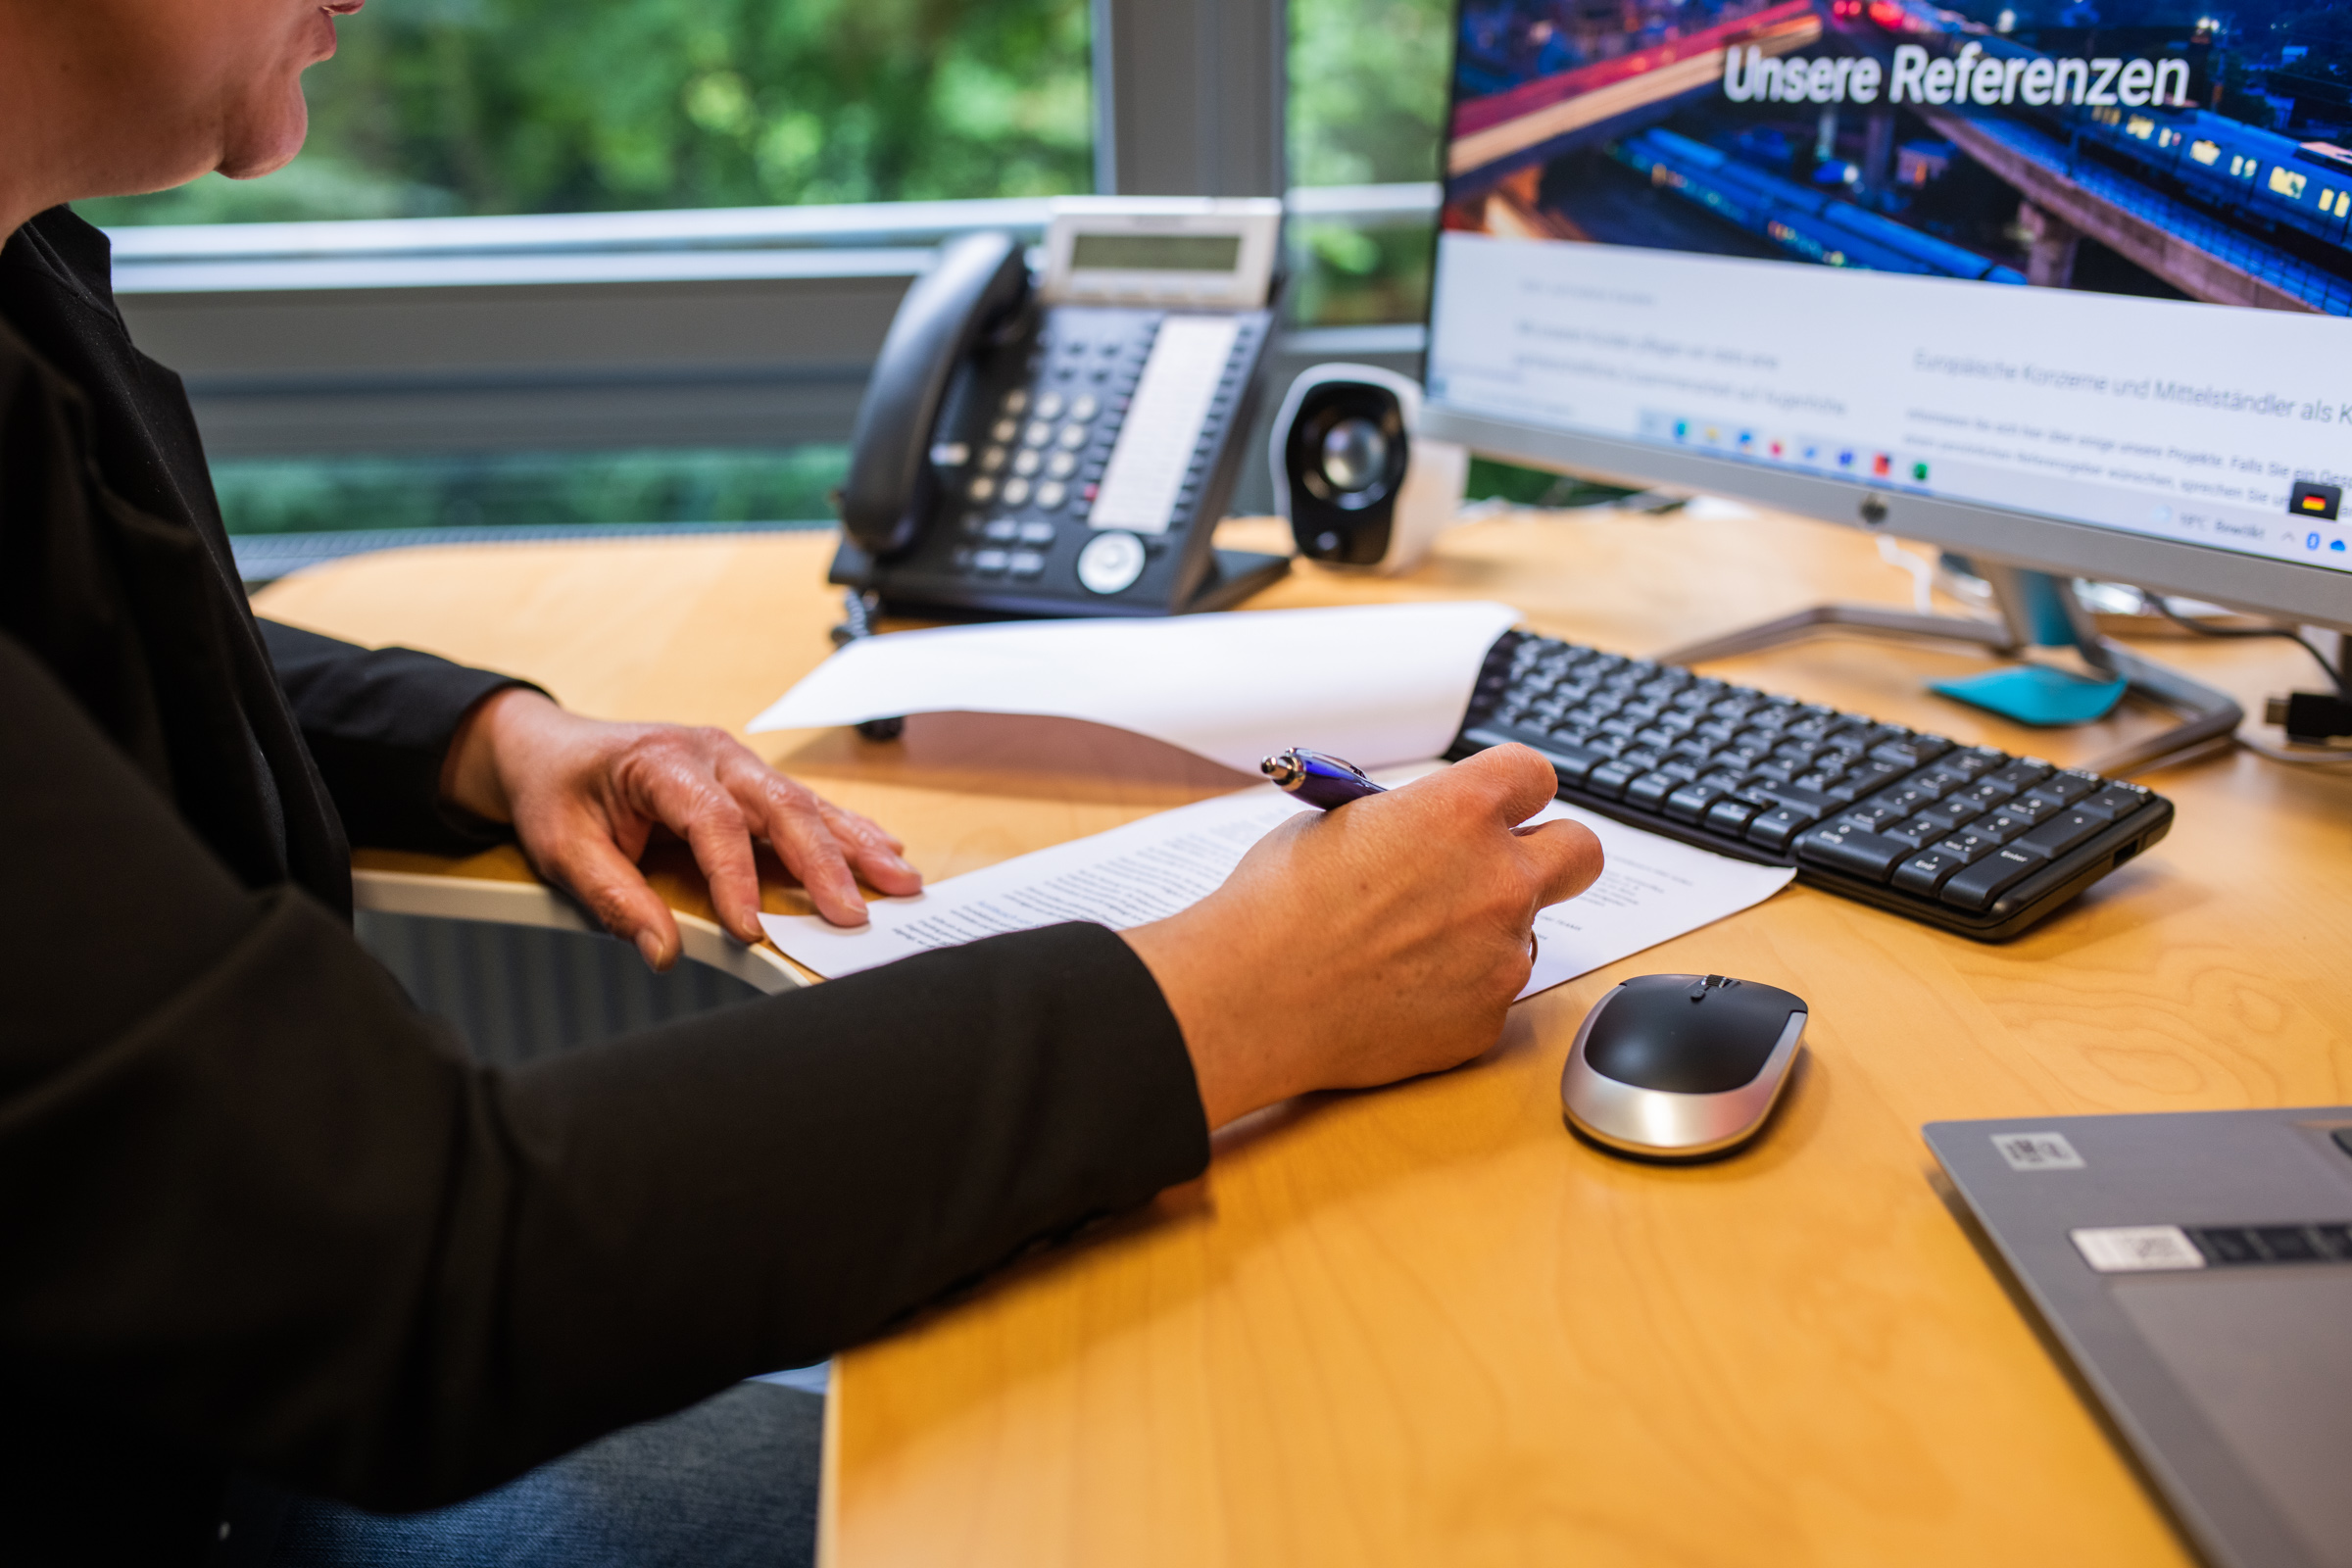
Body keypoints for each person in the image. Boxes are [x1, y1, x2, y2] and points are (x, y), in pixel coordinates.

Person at [0, 2, 1606, 1565]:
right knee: (1153, 1503)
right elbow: (409, 1262)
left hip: (179, 1438)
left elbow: (86, 668)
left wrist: (491, 737)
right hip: (206, 1488)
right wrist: (1244, 991)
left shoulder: (25, 282)